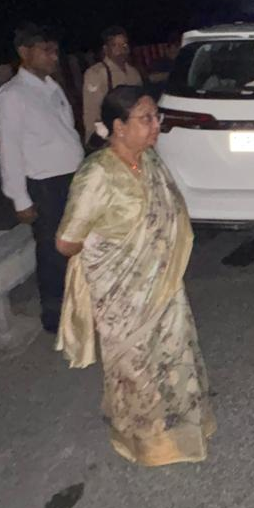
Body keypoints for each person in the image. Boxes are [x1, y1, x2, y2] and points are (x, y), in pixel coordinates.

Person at [54, 85, 215, 466]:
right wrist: (115, 251)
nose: (156, 125)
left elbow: (171, 211)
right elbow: (66, 242)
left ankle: (183, 429)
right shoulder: (97, 174)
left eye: (157, 117)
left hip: (164, 285)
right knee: (138, 367)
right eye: (146, 119)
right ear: (119, 127)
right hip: (121, 295)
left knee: (173, 356)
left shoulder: (151, 160)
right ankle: (149, 444)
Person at [0, 23, 84, 335]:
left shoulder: (51, 88)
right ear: (24, 52)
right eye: (46, 50)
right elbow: (9, 150)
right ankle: (55, 316)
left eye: (55, 50)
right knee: (53, 251)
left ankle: (80, 305)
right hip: (45, 185)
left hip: (70, 178)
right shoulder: (13, 96)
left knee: (78, 244)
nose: (53, 57)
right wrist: (20, 198)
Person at [82, 26, 144, 146]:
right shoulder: (96, 73)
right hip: (111, 139)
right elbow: (92, 112)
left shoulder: (133, 73)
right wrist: (96, 141)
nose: (122, 50)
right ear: (106, 49)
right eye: (115, 45)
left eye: (124, 45)